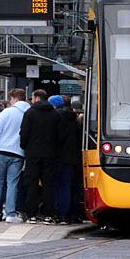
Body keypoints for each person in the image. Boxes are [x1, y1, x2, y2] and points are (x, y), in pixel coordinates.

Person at [0, 88, 30, 223]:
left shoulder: (6, 112)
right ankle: (11, 213)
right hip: (18, 153)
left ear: (14, 98)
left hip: (2, 150)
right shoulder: (28, 114)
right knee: (13, 183)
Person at [20, 89, 62, 224]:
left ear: (37, 98)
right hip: (50, 154)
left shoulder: (30, 113)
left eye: (32, 98)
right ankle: (48, 214)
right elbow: (59, 135)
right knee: (48, 184)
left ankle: (31, 214)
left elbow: (24, 133)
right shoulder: (55, 115)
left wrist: (25, 146)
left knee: (31, 183)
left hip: (32, 153)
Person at [50, 95, 81, 224]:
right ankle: (68, 215)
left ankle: (59, 214)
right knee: (68, 186)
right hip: (73, 158)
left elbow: (55, 138)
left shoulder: (56, 119)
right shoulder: (75, 120)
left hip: (58, 157)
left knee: (58, 186)